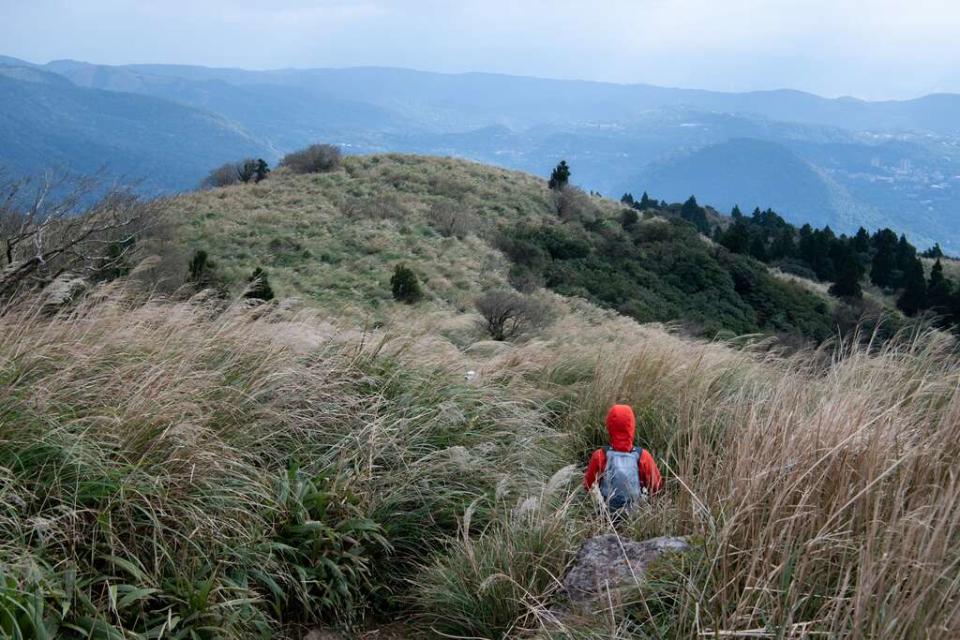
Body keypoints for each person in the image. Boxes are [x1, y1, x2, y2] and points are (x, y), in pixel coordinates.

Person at [583, 404, 663, 511]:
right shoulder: (643, 456)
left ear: (609, 426)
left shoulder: (599, 456)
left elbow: (588, 486)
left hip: (606, 516)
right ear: (632, 426)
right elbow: (657, 487)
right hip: (635, 517)